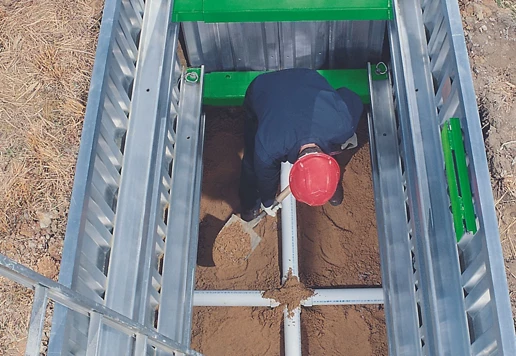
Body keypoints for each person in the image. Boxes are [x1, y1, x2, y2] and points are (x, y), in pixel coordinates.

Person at [239, 68, 364, 221]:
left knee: (340, 144)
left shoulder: (344, 125)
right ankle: (250, 204)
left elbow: (351, 98)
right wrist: (267, 200)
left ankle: (328, 179)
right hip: (263, 87)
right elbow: (265, 177)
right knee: (252, 161)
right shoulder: (269, 146)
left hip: (307, 78)